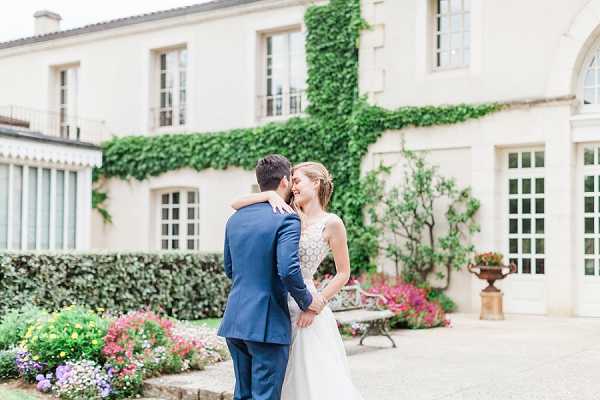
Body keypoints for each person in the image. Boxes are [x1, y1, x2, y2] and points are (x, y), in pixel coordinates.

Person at [231, 160, 364, 400]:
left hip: (307, 307)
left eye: (297, 180)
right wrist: (269, 195)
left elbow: (343, 273)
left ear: (316, 182)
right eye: (290, 181)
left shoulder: (332, 223)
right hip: (276, 306)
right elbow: (235, 203)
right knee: (273, 382)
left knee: (309, 378)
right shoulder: (286, 213)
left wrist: (316, 303)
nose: (292, 186)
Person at [217, 154, 327, 400]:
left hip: (235, 320)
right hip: (266, 323)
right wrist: (307, 301)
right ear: (286, 182)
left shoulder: (235, 219)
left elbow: (229, 268)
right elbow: (288, 269)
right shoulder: (287, 217)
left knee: (242, 394)